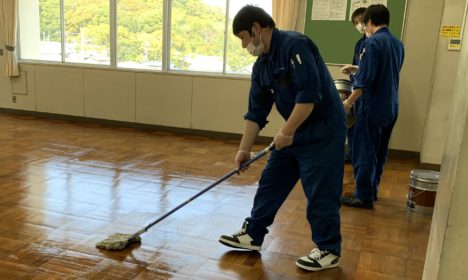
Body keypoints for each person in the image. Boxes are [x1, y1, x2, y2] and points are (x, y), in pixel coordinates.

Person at [217, 5, 346, 272]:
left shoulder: (295, 45)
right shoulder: (262, 65)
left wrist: (286, 132)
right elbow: (255, 113)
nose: (244, 46)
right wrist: (244, 150)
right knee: (271, 181)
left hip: (323, 132)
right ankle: (253, 234)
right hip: (292, 133)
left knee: (320, 192)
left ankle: (328, 249)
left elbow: (309, 96)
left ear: (256, 28)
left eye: (243, 37)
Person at [340, 4, 405, 209]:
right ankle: (372, 190)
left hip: (373, 106)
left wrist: (348, 103)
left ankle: (363, 196)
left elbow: (366, 81)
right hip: (391, 105)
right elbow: (385, 70)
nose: (363, 27)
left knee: (365, 150)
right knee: (380, 150)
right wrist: (358, 67)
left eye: (363, 23)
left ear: (369, 22)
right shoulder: (397, 43)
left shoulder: (372, 42)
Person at [340, 7, 367, 163]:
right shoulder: (359, 43)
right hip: (356, 87)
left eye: (362, 21)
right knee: (352, 122)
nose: (360, 25)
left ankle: (359, 156)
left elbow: (370, 72)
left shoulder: (375, 42)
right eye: (356, 23)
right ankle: (351, 152)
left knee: (363, 127)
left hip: (367, 92)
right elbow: (355, 65)